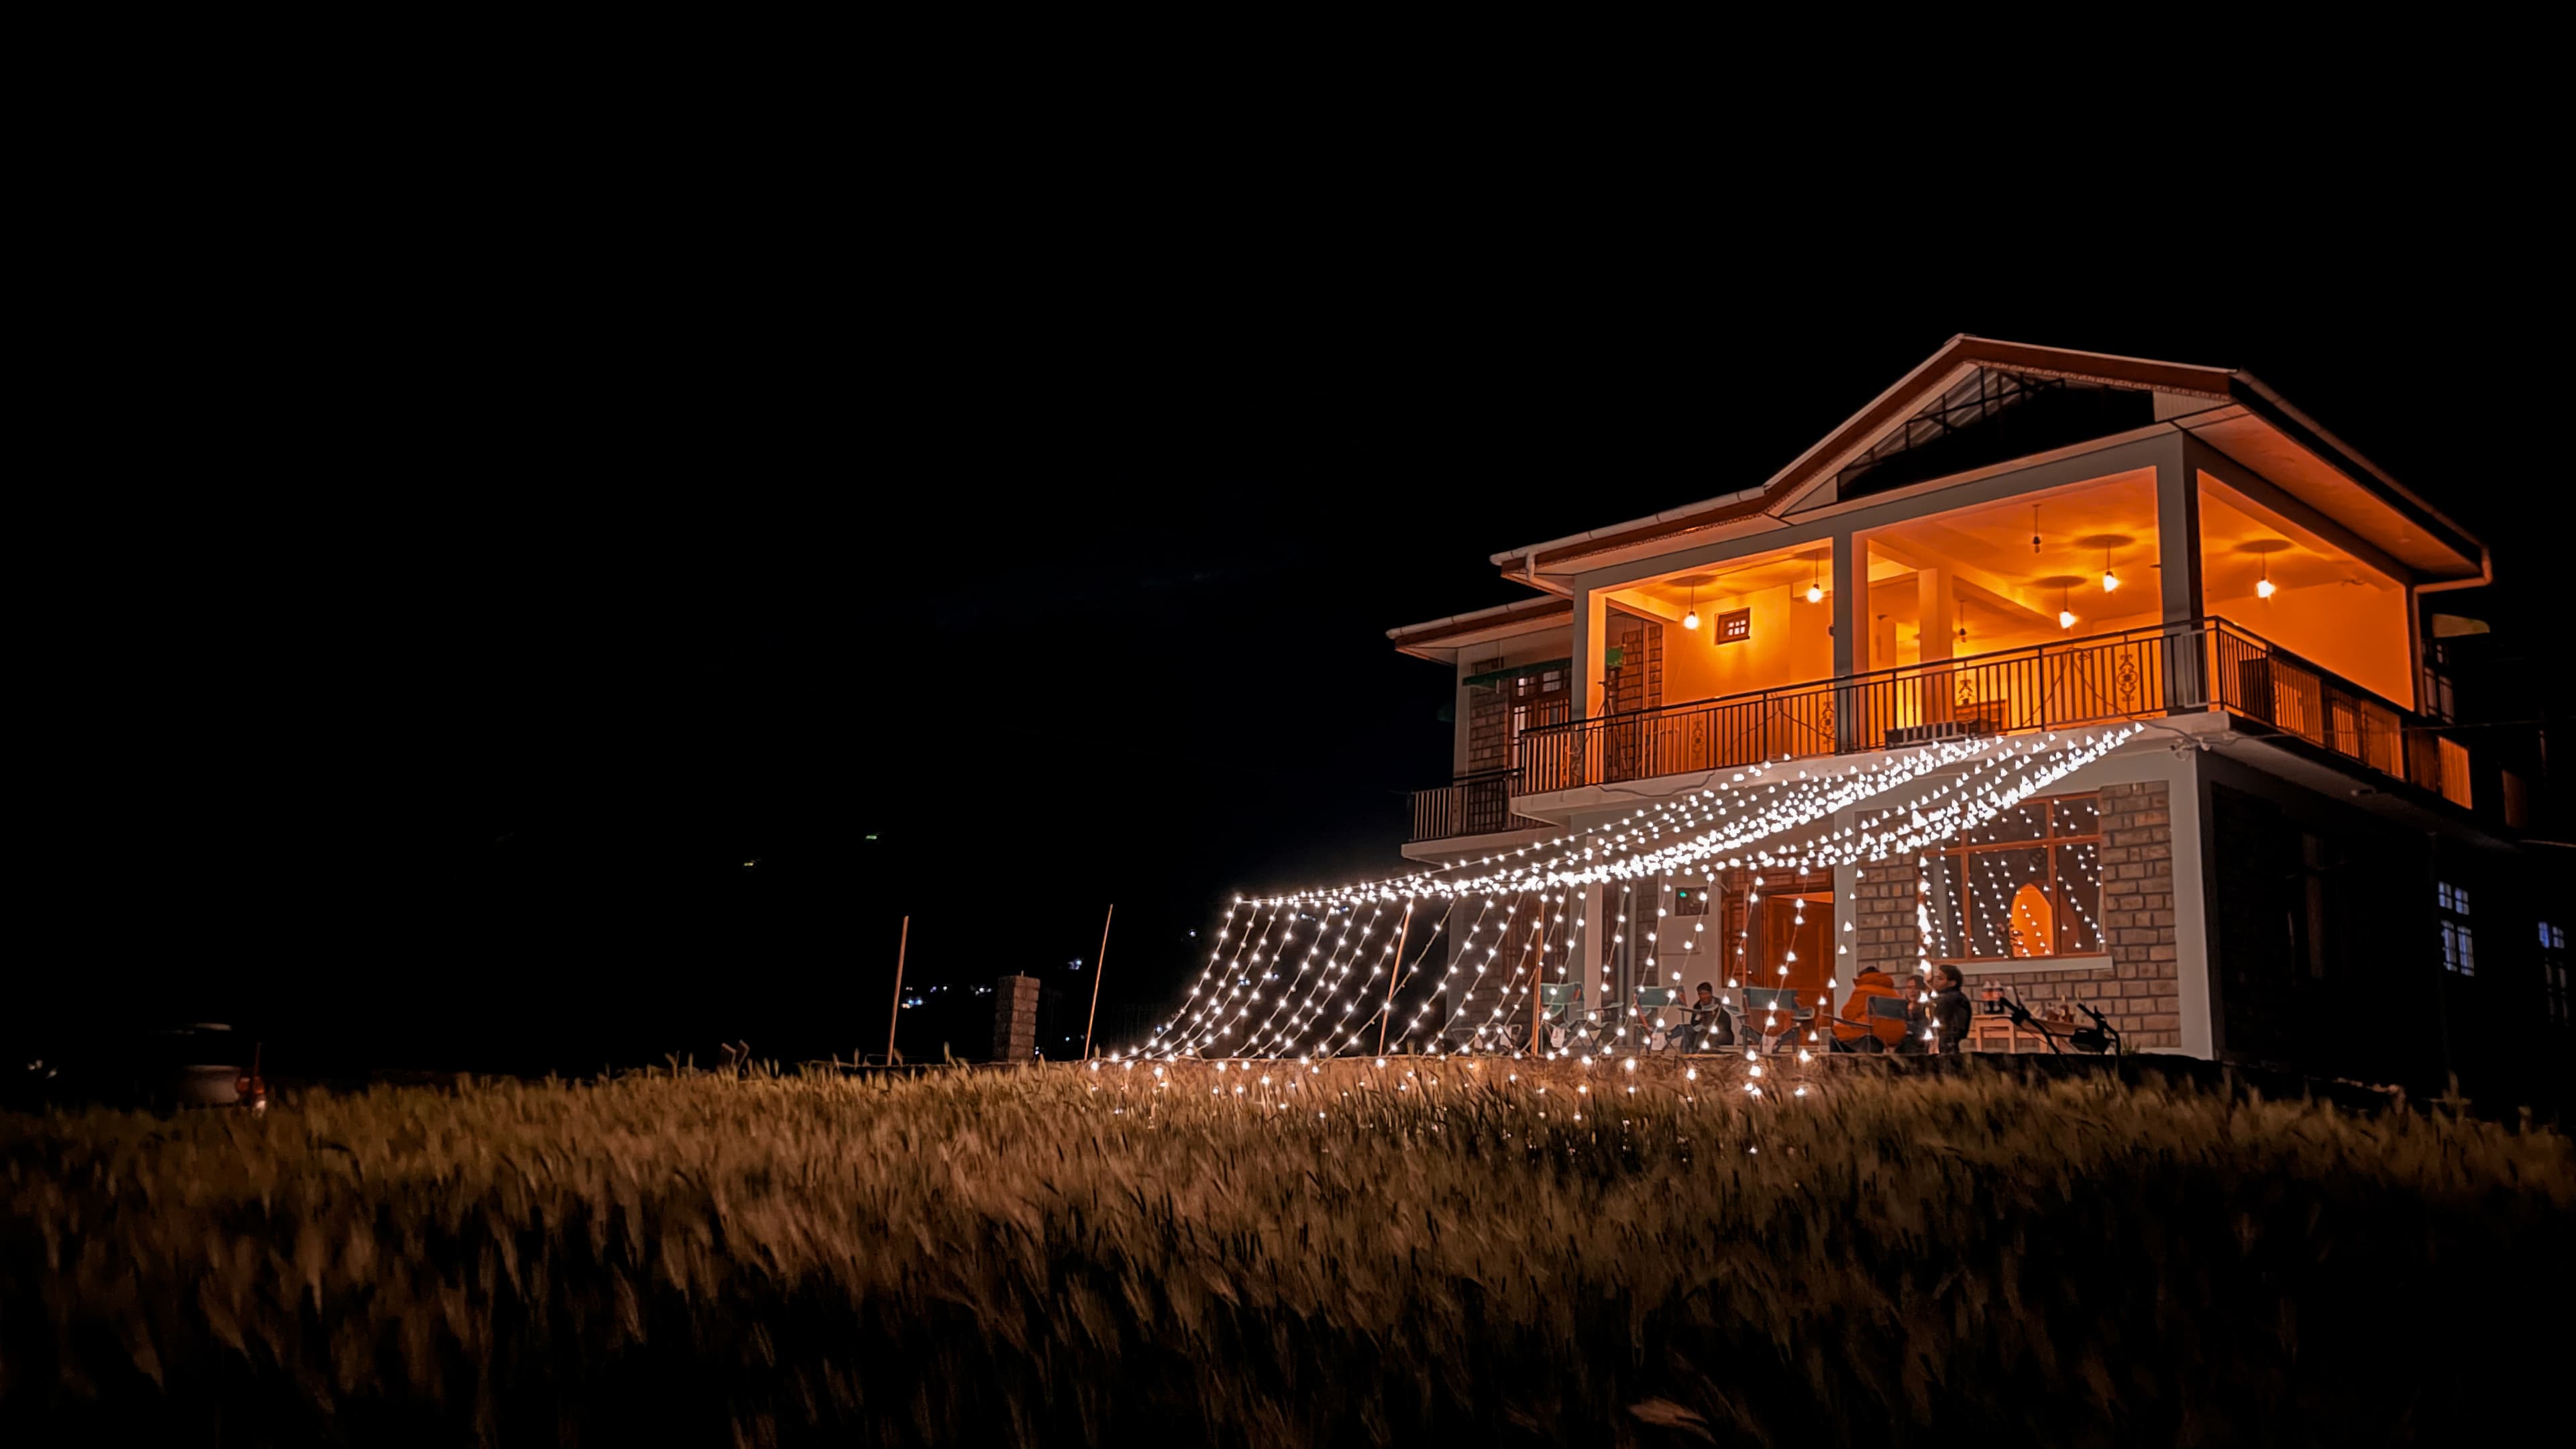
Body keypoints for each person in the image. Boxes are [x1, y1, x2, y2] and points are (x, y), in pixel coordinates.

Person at [1831, 965, 1904, 1052]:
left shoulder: (1862, 990)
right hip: (1897, 1035)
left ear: (1863, 977)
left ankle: (1843, 1064)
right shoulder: (1894, 993)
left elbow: (1848, 1015)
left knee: (1836, 1033)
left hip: (1873, 1034)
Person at [1928, 964, 1973, 1054]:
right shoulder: (1944, 997)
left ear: (1952, 983)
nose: (1936, 981)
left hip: (1949, 1041)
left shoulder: (1954, 998)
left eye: (1941, 978)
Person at [1688, 979, 1733, 1050]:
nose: (1704, 997)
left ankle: (1705, 1053)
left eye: (1706, 993)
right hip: (1702, 1031)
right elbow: (1693, 1022)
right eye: (1701, 994)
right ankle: (1689, 1053)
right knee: (1688, 1032)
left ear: (1711, 993)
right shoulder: (1697, 1006)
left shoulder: (1719, 1004)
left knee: (1708, 1036)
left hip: (1721, 1032)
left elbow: (1726, 1023)